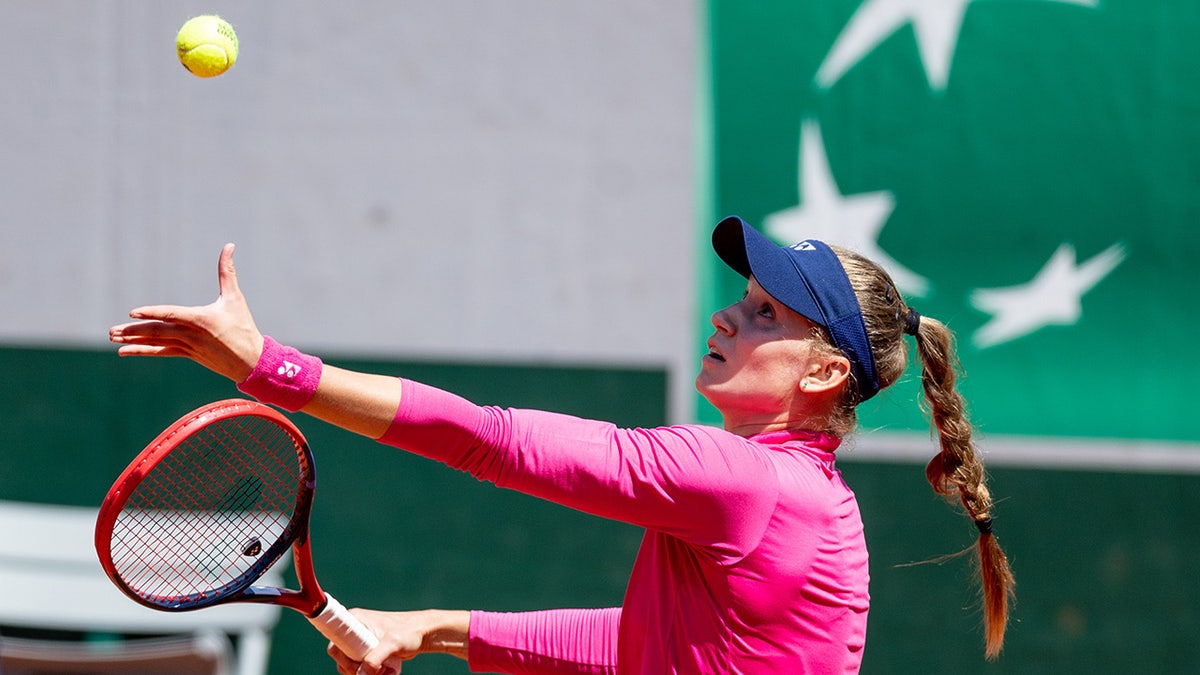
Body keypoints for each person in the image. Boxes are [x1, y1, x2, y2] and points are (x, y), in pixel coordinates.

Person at [109, 216, 1015, 674]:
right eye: (743, 297)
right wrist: (434, 628)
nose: (727, 315)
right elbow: (640, 647)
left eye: (765, 313)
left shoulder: (744, 480)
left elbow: (494, 441)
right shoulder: (796, 494)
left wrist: (272, 367)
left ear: (821, 375)